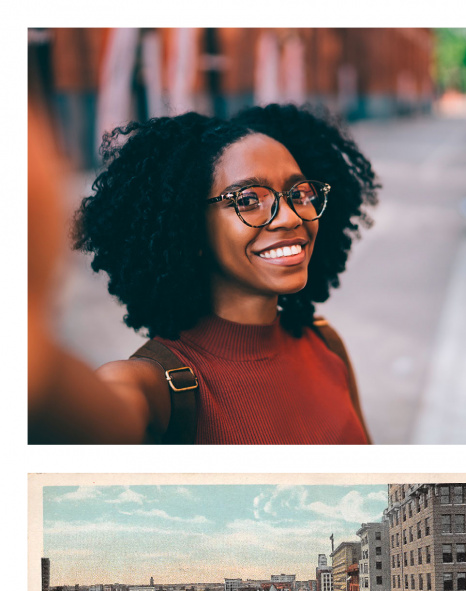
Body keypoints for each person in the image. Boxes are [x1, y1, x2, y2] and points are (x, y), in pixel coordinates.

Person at [33, 103, 379, 445]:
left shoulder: (326, 344)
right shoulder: (154, 388)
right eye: (247, 200)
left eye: (300, 193)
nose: (290, 217)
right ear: (191, 227)